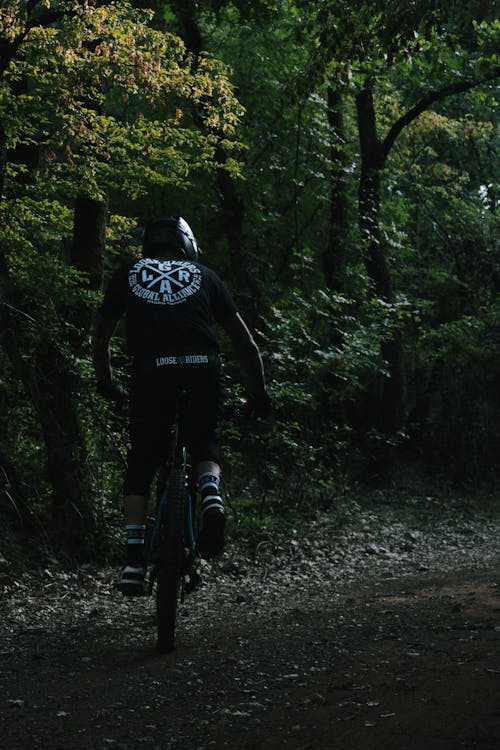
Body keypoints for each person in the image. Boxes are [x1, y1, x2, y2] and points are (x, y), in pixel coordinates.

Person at [92, 216, 270, 596]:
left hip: (151, 374)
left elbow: (100, 337)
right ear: (187, 244)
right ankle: (210, 494)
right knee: (204, 439)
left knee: (143, 459)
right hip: (203, 369)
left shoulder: (127, 274)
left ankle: (134, 561)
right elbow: (245, 342)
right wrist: (259, 393)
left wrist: (106, 383)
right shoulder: (206, 275)